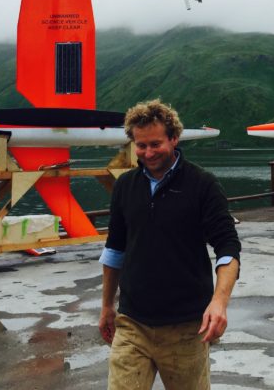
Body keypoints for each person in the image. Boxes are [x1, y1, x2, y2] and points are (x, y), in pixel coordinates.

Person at [98, 99, 241, 390]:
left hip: (187, 328)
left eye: (155, 144)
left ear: (174, 138)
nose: (148, 153)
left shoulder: (202, 185)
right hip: (132, 323)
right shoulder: (125, 186)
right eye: (141, 145)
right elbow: (115, 249)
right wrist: (106, 305)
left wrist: (219, 302)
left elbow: (227, 247)